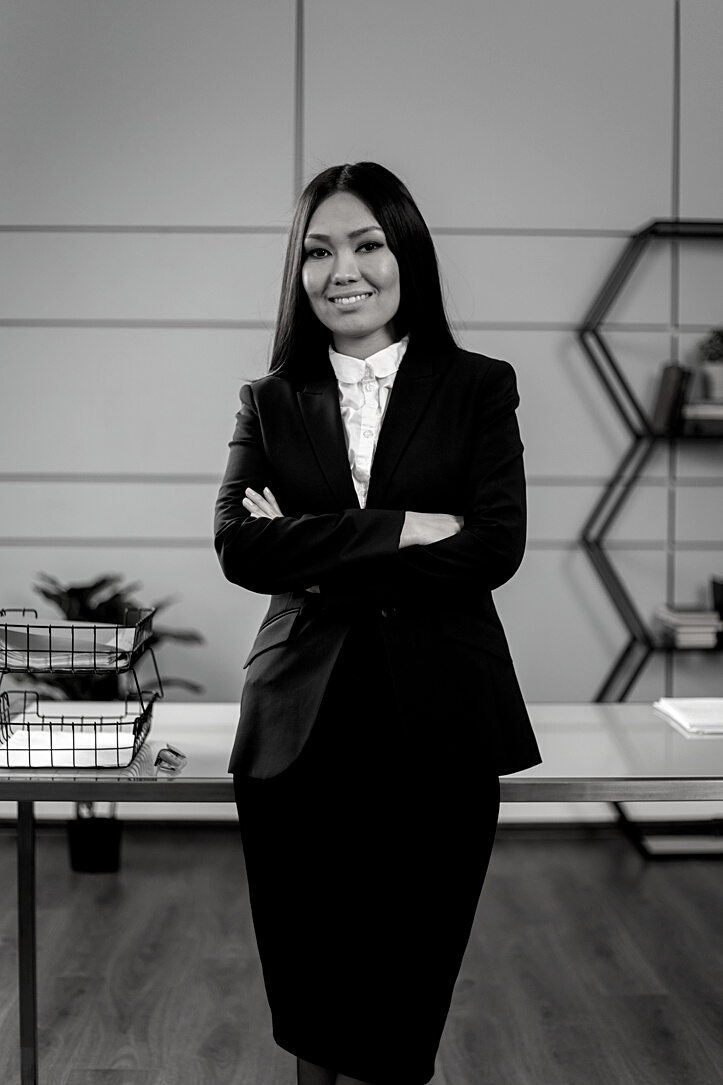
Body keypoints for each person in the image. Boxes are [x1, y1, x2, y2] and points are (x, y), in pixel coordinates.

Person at [214, 161, 541, 1085]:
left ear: (406, 255)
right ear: (298, 269)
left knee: (401, 1006)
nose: (341, 269)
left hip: (437, 713)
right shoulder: (268, 399)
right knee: (312, 1006)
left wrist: (309, 548)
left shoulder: (478, 386)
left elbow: (493, 548)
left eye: (365, 244)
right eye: (317, 251)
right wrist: (399, 527)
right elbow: (240, 547)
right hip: (296, 726)